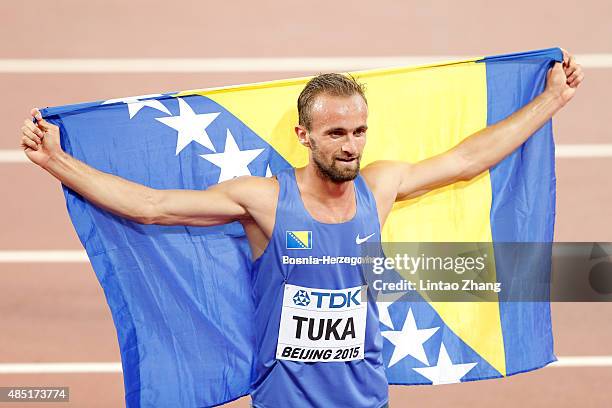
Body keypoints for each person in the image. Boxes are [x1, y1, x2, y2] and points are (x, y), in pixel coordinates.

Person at [20, 50, 583, 408]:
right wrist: (57, 162)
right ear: (304, 135)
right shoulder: (263, 199)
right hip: (284, 403)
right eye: (336, 133)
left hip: (367, 400)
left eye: (359, 131)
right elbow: (153, 206)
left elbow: (468, 159)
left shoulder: (379, 188)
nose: (351, 145)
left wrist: (553, 98)